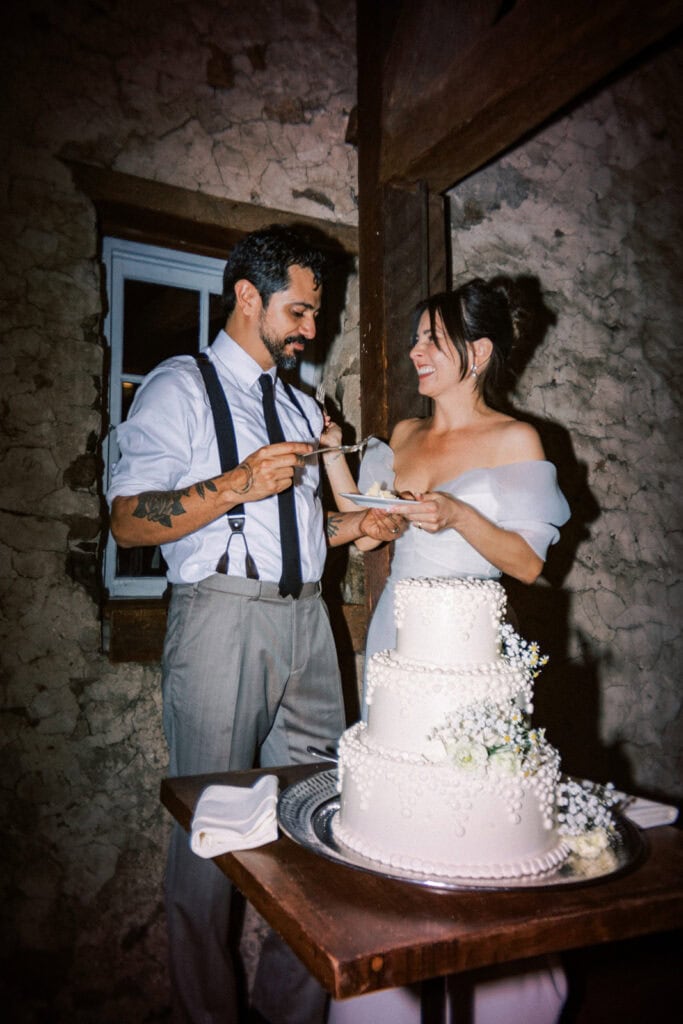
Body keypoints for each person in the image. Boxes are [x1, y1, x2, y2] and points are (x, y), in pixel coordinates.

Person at [107, 224, 405, 1024]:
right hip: (220, 626)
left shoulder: (303, 403)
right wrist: (236, 482)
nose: (314, 329)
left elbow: (301, 532)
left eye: (317, 312)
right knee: (209, 840)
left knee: (320, 829)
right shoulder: (178, 386)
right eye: (300, 311)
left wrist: (354, 532)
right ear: (247, 296)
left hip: (309, 626)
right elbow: (130, 523)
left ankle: (291, 1015)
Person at [321, 278, 571, 1024]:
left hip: (469, 642)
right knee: (401, 809)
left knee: (468, 815)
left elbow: (529, 563)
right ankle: (393, 980)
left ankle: (495, 991)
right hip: (400, 633)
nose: (414, 352)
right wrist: (340, 461)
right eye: (416, 338)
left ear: (478, 352)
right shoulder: (399, 436)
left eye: (431, 339)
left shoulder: (514, 440)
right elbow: (354, 517)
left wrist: (457, 513)